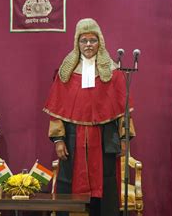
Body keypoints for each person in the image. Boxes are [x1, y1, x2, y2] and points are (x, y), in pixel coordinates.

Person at [43, 18, 135, 216]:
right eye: (83, 40)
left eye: (92, 40)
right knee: (70, 183)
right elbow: (57, 111)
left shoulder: (113, 73)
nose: (88, 45)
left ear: (99, 42)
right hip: (73, 138)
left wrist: (124, 138)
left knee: (105, 184)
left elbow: (123, 110)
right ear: (77, 43)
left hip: (104, 138)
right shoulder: (65, 73)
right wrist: (59, 140)